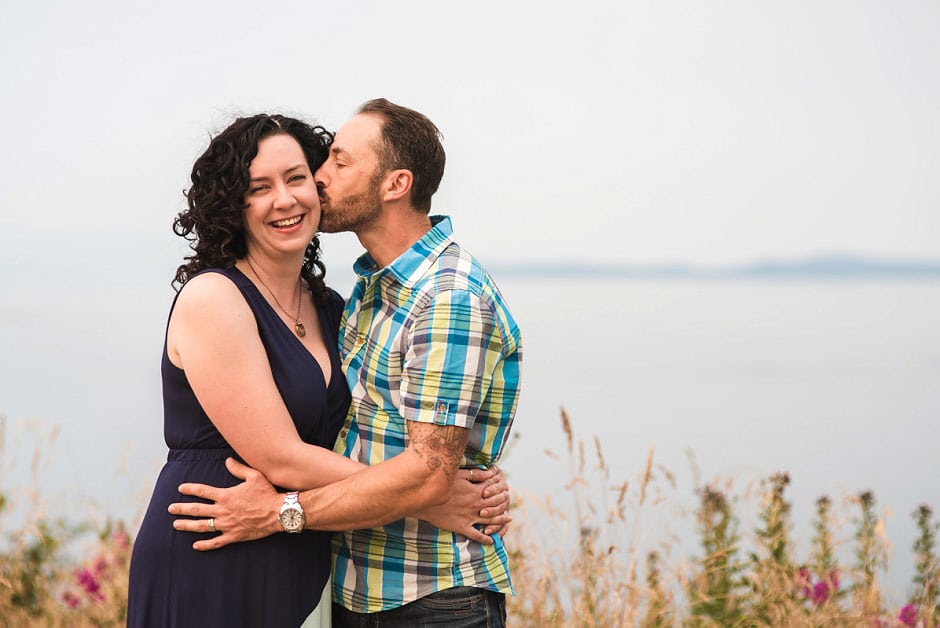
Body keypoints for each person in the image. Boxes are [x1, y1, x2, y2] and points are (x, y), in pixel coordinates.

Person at [127, 113, 508, 628]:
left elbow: (387, 432)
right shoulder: (214, 297)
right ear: (233, 205)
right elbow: (280, 455)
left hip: (299, 549)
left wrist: (427, 483)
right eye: (259, 187)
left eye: (298, 177)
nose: (286, 199)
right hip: (215, 538)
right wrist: (427, 498)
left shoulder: (335, 307)